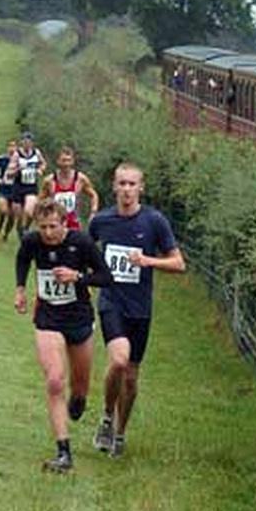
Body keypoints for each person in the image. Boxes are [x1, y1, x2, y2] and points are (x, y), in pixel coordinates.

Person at [89, 162, 185, 457]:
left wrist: (148, 261)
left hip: (140, 309)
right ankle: (106, 416)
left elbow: (179, 263)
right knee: (118, 361)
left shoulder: (154, 222)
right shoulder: (101, 221)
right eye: (122, 184)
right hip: (111, 302)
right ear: (114, 187)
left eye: (132, 184)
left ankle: (120, 432)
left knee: (130, 378)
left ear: (141, 188)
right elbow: (83, 251)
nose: (127, 190)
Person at [15, 201, 112, 472]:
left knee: (79, 388)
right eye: (43, 227)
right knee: (56, 380)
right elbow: (22, 259)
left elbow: (106, 277)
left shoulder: (81, 242)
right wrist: (21, 289)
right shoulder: (32, 241)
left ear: (65, 223)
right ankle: (64, 452)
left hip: (79, 320)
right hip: (48, 318)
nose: (47, 233)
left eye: (53, 227)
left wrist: (78, 276)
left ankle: (79, 398)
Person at [40, 146, 100, 230]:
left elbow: (93, 195)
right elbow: (40, 200)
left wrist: (93, 212)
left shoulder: (80, 179)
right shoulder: (49, 180)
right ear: (58, 161)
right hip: (55, 224)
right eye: (63, 160)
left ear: (73, 162)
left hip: (74, 223)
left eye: (69, 160)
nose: (66, 164)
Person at [8, 131, 47, 238]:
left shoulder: (36, 153)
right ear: (22, 142)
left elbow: (43, 163)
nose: (27, 144)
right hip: (19, 186)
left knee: (29, 211)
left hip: (31, 186)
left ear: (32, 143)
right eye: (25, 141)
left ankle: (26, 229)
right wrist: (17, 170)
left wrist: (40, 170)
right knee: (19, 217)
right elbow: (9, 173)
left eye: (29, 142)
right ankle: (20, 230)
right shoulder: (17, 155)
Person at [0, 140, 17, 240]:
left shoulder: (20, 161)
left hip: (16, 190)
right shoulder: (2, 159)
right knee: (4, 210)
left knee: (12, 217)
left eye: (14, 146)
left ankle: (6, 234)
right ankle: (1, 221)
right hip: (4, 188)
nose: (12, 148)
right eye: (10, 146)